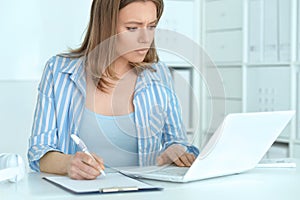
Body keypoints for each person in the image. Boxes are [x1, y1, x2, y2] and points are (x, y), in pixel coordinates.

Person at [28, 0, 199, 180]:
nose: (145, 39)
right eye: (133, 28)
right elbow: (39, 152)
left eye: (151, 26)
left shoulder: (160, 74)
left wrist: (174, 151)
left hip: (144, 192)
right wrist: (69, 163)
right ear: (106, 27)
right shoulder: (59, 71)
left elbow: (177, 142)